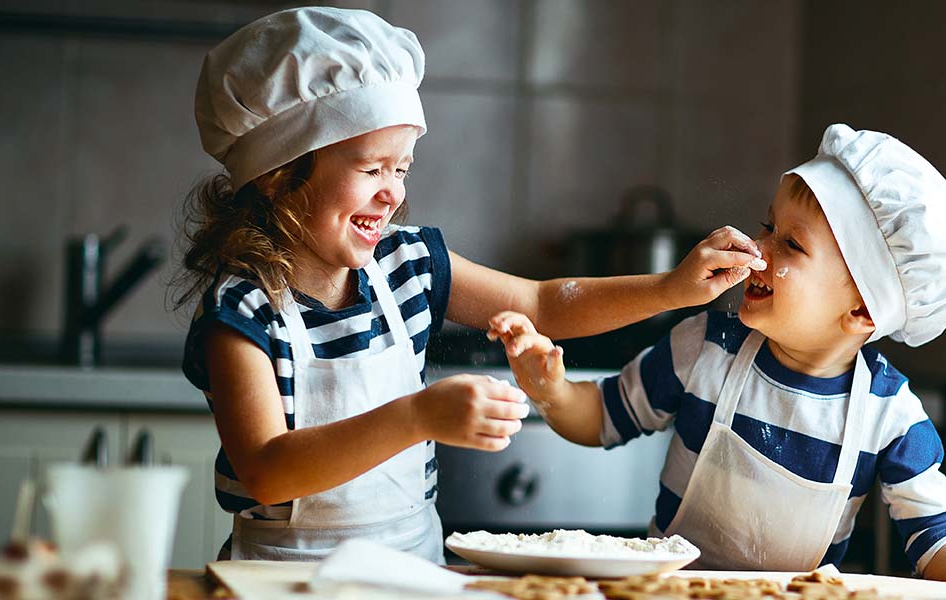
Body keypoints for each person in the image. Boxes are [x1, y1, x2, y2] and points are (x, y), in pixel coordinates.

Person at [177, 7, 765, 563]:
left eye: (402, 168)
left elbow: (542, 302)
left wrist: (670, 289)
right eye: (371, 168)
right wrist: (416, 417)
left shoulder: (409, 264)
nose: (394, 193)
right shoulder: (242, 310)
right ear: (280, 175)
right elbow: (264, 468)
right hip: (277, 578)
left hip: (411, 570)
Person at [489, 124, 946, 584]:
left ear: (863, 310)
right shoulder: (705, 347)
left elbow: (938, 542)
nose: (758, 249)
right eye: (767, 226)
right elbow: (600, 418)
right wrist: (550, 390)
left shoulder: (891, 416)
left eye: (791, 245)